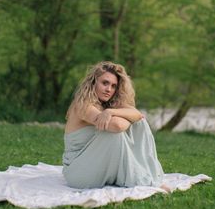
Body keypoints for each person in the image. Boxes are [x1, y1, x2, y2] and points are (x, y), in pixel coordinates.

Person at [62, 61, 168, 190]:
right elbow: (117, 126)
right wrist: (128, 117)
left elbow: (138, 115)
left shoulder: (107, 106)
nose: (109, 89)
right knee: (115, 134)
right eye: (105, 83)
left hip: (95, 164)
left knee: (140, 123)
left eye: (113, 86)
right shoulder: (82, 105)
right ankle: (142, 181)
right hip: (77, 172)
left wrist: (111, 111)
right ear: (93, 82)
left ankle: (148, 174)